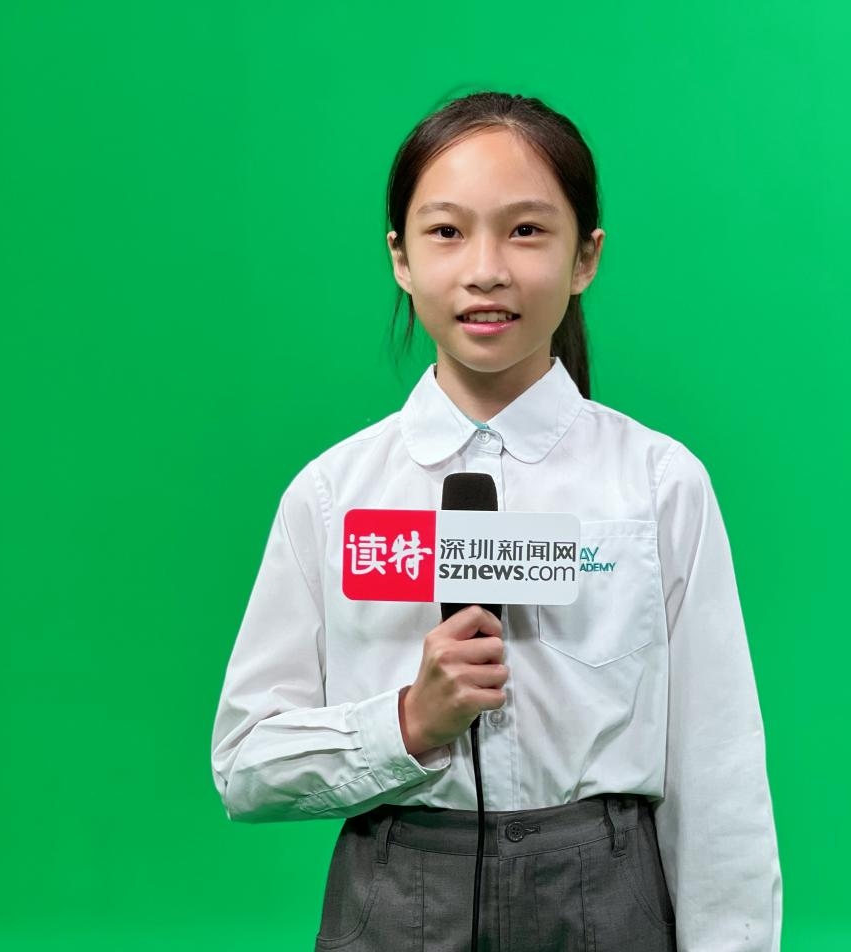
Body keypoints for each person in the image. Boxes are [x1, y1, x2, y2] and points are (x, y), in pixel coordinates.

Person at [211, 91, 782, 952]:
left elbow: (717, 767)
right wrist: (409, 722)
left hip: (603, 902)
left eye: (525, 231)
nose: (485, 270)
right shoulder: (333, 496)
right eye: (446, 231)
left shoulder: (657, 483)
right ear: (400, 258)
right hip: (397, 899)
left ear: (585, 257)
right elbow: (245, 765)